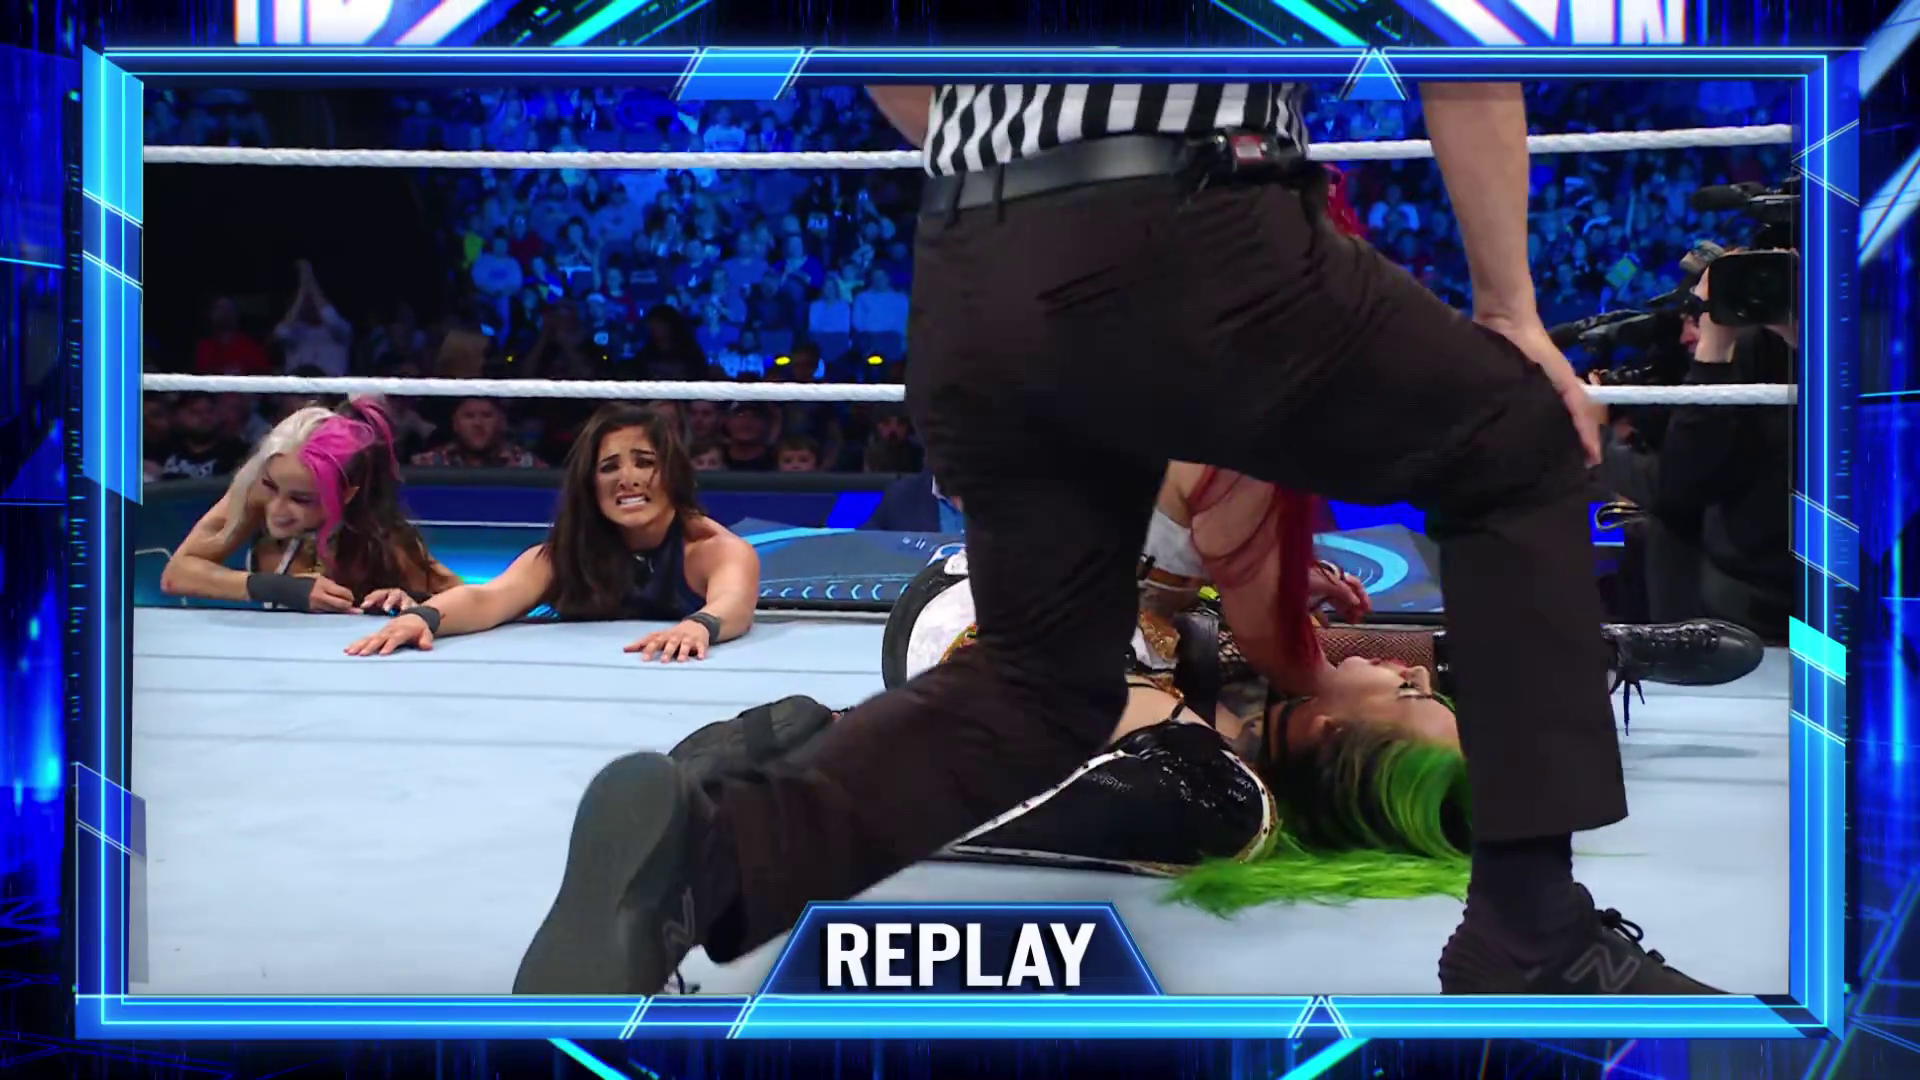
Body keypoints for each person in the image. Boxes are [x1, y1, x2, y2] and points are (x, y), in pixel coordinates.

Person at [512, 83, 1711, 998]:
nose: (1403, 685)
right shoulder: (1257, 609)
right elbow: (1461, 44)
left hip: (971, 255)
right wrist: (1509, 310)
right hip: (1192, 211)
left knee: (1041, 686)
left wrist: (1019, 165)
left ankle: (706, 863)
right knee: (1523, 444)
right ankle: (1532, 931)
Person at [344, 404, 761, 662]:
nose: (628, 479)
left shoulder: (714, 550)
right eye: (609, 467)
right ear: (590, 486)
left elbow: (734, 604)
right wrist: (422, 618)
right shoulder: (565, 556)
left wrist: (698, 626)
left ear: (673, 474)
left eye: (645, 462)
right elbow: (490, 598)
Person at [160, 397, 459, 613]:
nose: (277, 508)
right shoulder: (255, 490)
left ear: (346, 495)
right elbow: (178, 573)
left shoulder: (382, 536)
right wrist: (279, 587)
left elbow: (467, 597)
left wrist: (411, 601)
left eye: (300, 499)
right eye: (271, 486)